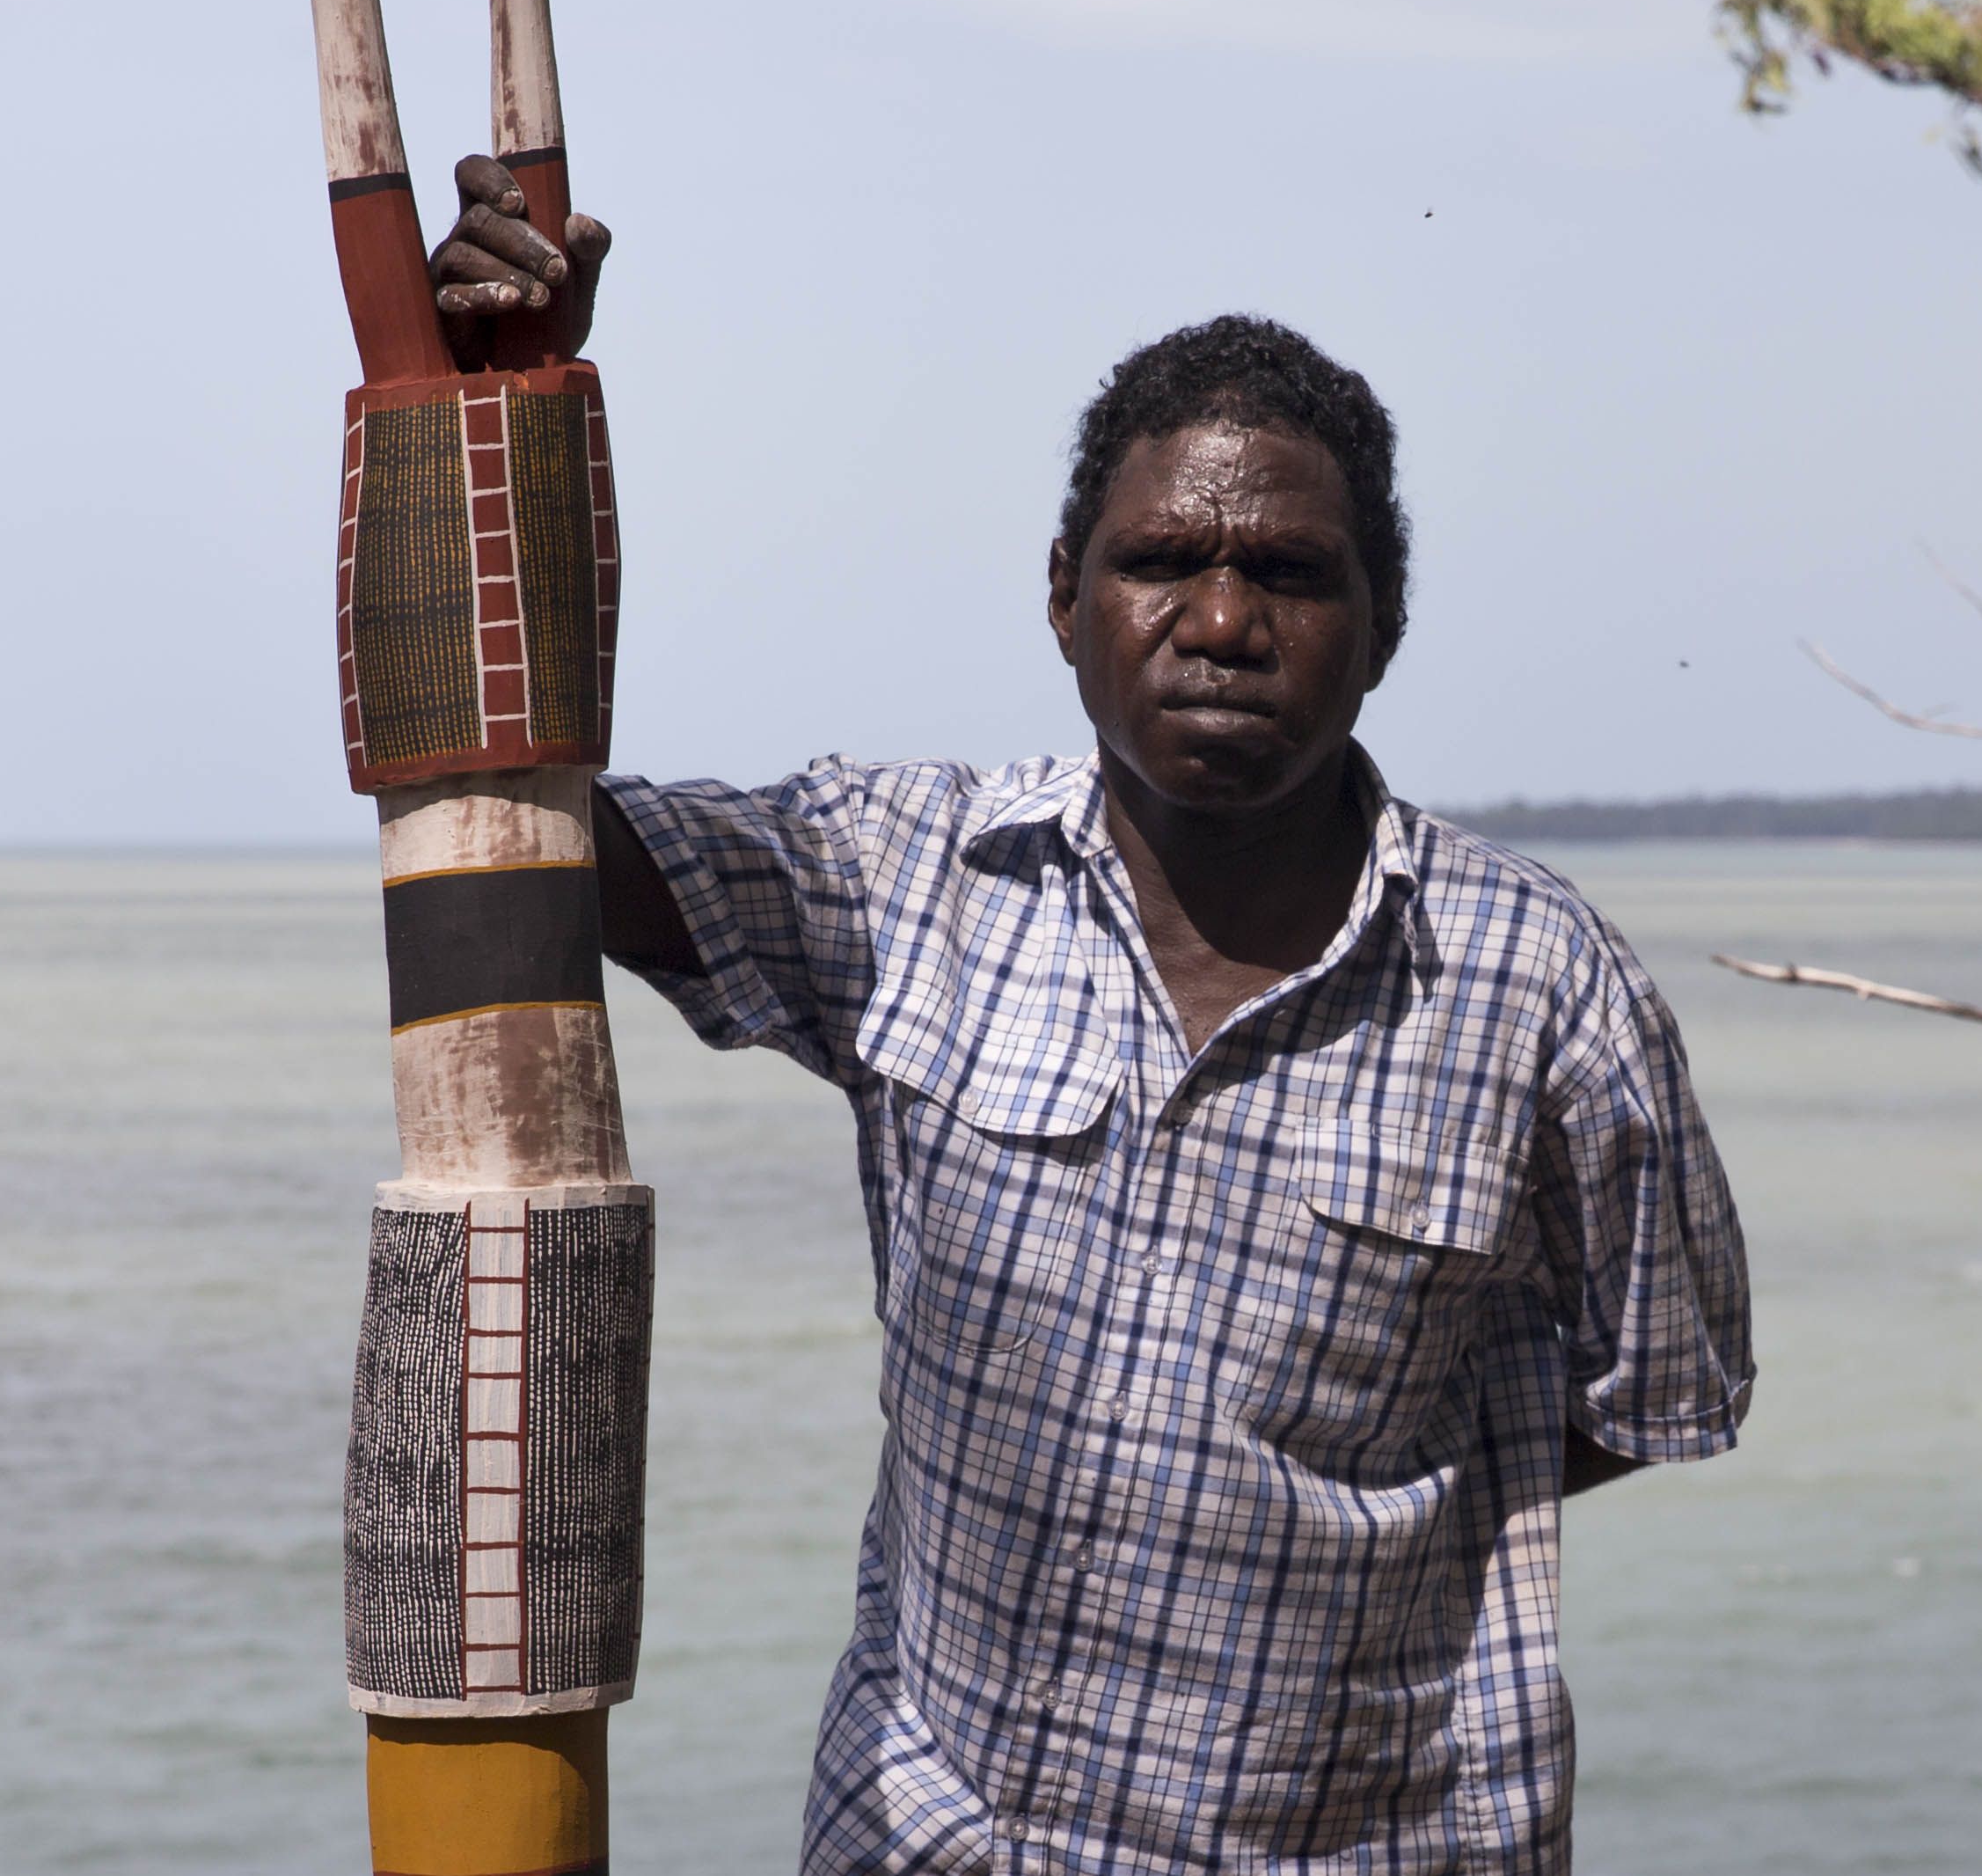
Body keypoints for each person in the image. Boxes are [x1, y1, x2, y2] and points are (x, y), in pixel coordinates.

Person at [425, 159, 1756, 1874]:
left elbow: (1664, 1391)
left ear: (1386, 623)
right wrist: (501, 421)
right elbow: (527, 829)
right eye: (1161, 563)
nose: (1219, 622)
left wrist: (1329, 1524)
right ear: (1066, 596)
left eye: (1287, 572)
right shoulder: (911, 877)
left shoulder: (1540, 988)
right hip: (934, 1831)